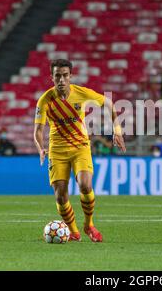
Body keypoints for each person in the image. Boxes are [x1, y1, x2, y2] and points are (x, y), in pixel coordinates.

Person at [33, 59, 126, 243]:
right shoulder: (45, 100)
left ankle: (89, 225)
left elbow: (108, 103)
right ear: (51, 77)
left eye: (65, 75)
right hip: (57, 150)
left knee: (85, 184)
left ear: (70, 76)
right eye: (57, 75)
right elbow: (37, 130)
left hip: (80, 147)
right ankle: (74, 231)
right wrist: (40, 147)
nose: (61, 79)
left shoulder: (81, 93)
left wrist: (117, 131)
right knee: (60, 196)